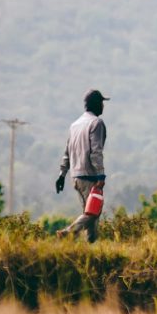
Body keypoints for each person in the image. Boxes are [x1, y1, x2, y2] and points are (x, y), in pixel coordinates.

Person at [55, 89, 109, 242]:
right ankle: (68, 233)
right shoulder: (96, 123)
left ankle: (91, 246)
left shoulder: (75, 125)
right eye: (102, 103)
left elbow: (67, 152)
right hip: (89, 176)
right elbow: (96, 151)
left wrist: (62, 175)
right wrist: (101, 175)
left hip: (75, 177)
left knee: (89, 213)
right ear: (96, 104)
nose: (103, 106)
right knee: (93, 212)